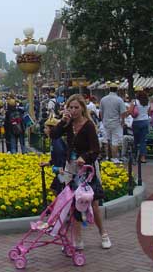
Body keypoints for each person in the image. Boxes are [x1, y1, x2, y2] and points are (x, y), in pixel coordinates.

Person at [50, 94, 112, 250]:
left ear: (82, 108)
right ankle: (76, 238)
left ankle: (103, 233)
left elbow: (95, 150)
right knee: (73, 203)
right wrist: (62, 121)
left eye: (76, 107)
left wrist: (85, 157)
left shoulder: (88, 125)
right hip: (71, 168)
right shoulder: (68, 123)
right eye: (70, 107)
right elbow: (53, 135)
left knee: (93, 203)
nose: (73, 110)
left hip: (87, 168)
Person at [99, 83, 128, 163]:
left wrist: (103, 120)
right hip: (116, 123)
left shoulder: (103, 99)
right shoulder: (119, 100)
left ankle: (108, 156)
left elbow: (101, 112)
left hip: (106, 122)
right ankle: (114, 158)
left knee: (106, 140)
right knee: (115, 141)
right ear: (117, 90)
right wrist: (123, 121)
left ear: (109, 89)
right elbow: (123, 113)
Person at [40, 115, 67, 194]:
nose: (44, 130)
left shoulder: (56, 140)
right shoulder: (53, 140)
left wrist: (60, 167)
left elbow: (60, 153)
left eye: (46, 128)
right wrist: (49, 163)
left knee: (59, 191)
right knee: (55, 189)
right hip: (59, 169)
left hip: (61, 170)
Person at [130, 90, 150, 164]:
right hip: (145, 121)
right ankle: (143, 157)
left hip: (136, 122)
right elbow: (149, 112)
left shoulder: (135, 102)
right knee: (143, 140)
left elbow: (130, 111)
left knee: (136, 140)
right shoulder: (147, 102)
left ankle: (135, 155)